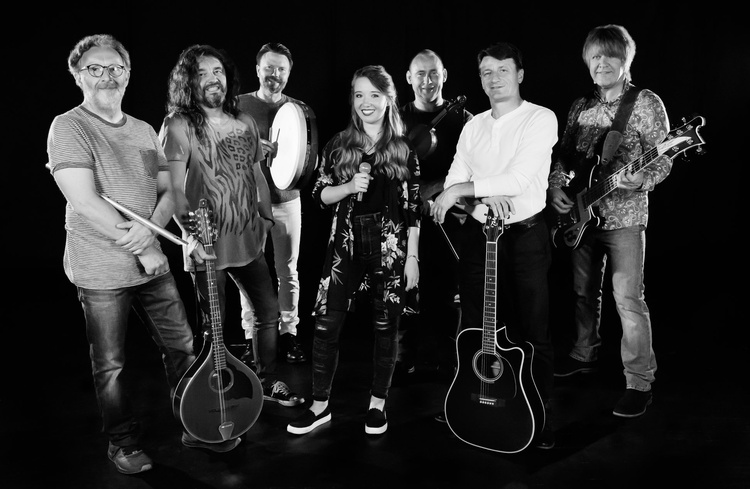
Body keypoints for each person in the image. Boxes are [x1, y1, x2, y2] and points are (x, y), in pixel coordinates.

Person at [46, 34, 238, 475]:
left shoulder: (144, 130)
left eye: (116, 68)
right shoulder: (68, 127)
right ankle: (122, 442)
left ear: (128, 74)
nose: (107, 76)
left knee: (182, 348)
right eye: (95, 68)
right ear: (78, 76)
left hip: (153, 264)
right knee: (111, 366)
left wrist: (151, 235)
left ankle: (195, 425)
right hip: (101, 268)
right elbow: (85, 200)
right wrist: (147, 247)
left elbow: (168, 191)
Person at [159, 44, 304, 410]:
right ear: (189, 81)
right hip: (207, 246)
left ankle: (267, 380)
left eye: (218, 72)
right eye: (202, 73)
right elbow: (172, 189)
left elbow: (257, 175)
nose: (213, 79)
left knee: (268, 313)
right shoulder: (178, 125)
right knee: (214, 327)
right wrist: (190, 235)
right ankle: (215, 391)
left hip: (247, 241)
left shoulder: (244, 122)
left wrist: (266, 218)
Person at [430, 42, 558, 449]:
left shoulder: (540, 118)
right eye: (486, 72)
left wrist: (464, 192)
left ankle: (539, 415)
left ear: (519, 74)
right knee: (474, 326)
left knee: (531, 330)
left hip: (524, 237)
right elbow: (453, 180)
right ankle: (472, 400)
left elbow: (518, 180)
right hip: (480, 237)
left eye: (503, 70)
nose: (494, 78)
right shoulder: (474, 127)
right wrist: (481, 195)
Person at [286, 65, 421, 436]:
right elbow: (318, 195)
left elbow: (413, 209)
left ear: (388, 99)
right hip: (346, 246)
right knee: (326, 325)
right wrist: (347, 187)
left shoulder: (403, 148)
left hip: (390, 248)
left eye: (374, 95)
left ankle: (377, 403)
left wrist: (412, 257)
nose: (366, 102)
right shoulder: (339, 145)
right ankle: (319, 405)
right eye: (359, 94)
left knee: (386, 326)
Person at [547, 24, 671, 418]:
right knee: (583, 293)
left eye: (609, 56)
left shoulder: (645, 103)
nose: (601, 63)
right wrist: (555, 186)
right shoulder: (580, 106)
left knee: (628, 300)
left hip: (626, 217)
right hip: (582, 215)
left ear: (625, 61)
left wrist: (643, 178)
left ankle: (639, 381)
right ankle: (584, 354)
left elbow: (664, 155)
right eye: (595, 56)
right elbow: (564, 155)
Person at [397, 49, 473, 388]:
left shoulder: (465, 120)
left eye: (433, 73)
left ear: (444, 76)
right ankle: (403, 359)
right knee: (406, 287)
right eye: (420, 74)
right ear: (408, 78)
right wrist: (415, 196)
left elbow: (476, 167)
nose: (427, 81)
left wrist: (438, 190)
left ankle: (449, 360)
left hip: (452, 215)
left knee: (450, 290)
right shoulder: (397, 119)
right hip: (407, 215)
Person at [237, 42, 308, 365]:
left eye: (281, 69)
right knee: (248, 270)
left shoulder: (298, 110)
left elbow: (308, 156)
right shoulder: (237, 106)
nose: (274, 74)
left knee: (287, 271)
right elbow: (222, 152)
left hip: (287, 199)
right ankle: (251, 335)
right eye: (269, 67)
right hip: (248, 202)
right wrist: (252, 149)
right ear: (257, 69)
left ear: (289, 73)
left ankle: (288, 333)